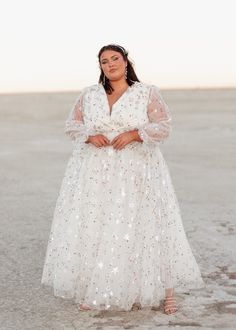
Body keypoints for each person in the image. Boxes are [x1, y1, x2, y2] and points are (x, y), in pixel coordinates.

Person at [41, 44, 205, 314]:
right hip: (95, 171)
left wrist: (135, 134)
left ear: (126, 62)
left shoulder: (146, 92)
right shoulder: (89, 95)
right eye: (104, 61)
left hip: (137, 168)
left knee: (148, 223)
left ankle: (167, 291)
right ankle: (100, 289)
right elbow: (72, 124)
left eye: (115, 59)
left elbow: (163, 125)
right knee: (101, 226)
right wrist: (89, 136)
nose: (110, 64)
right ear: (101, 67)